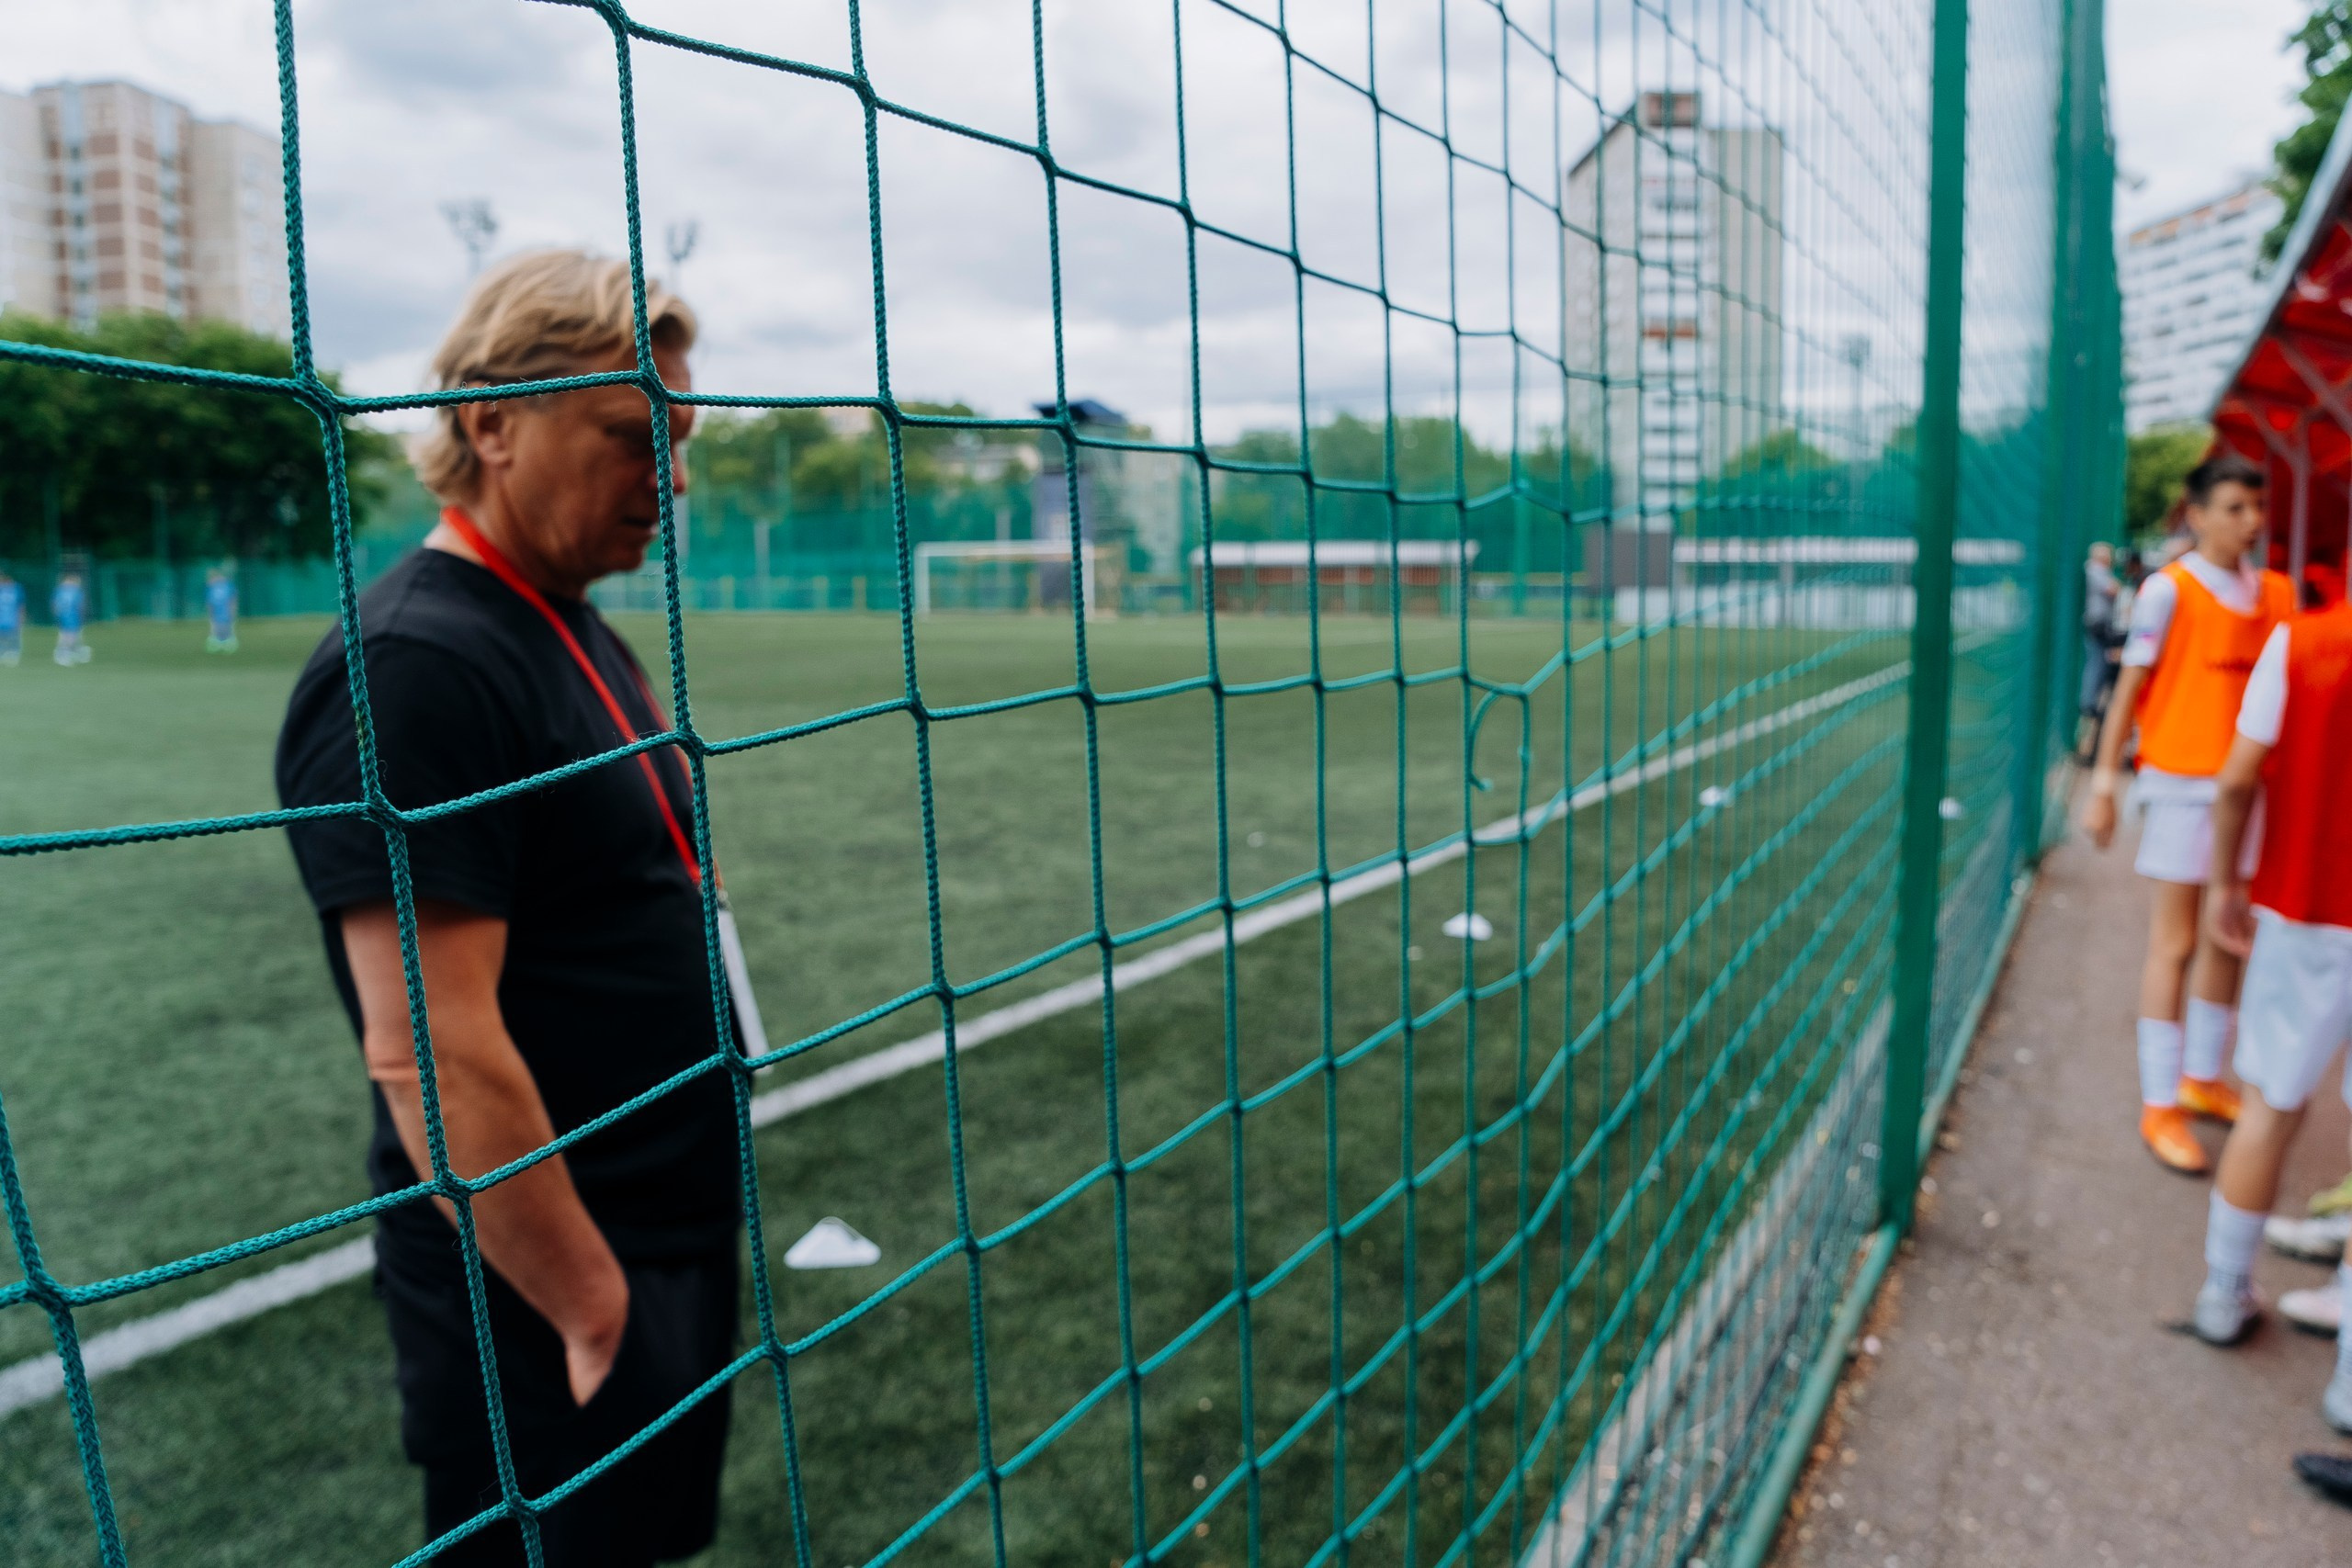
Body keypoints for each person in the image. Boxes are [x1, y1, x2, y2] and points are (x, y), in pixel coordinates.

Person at [275, 251, 736, 1566]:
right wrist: (594, 1307)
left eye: (683, 438)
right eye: (631, 437)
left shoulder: (569, 620)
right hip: (542, 1286)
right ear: (492, 425)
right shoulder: (416, 661)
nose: (675, 478)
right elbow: (427, 1046)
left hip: (660, 1237)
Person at [2082, 454, 2294, 1172]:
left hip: (2249, 790)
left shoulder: (2276, 593)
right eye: (2235, 507)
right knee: (2173, 943)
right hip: (2179, 785)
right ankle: (2158, 1098)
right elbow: (2127, 690)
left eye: (2256, 507)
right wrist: (2105, 782)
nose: (2251, 522)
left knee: (2226, 935)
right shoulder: (2167, 592)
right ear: (2196, 512)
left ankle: (2202, 1077)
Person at [2182, 589, 2352, 1438]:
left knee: (2270, 1106)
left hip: (2308, 904)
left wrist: (2224, 881)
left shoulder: (2304, 642)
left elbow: (2239, 776)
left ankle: (2222, 1290)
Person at [2078, 541, 2123, 759]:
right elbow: (2114, 589)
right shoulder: (2094, 570)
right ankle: (2088, 702)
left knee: (2100, 662)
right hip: (2098, 624)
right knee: (2096, 662)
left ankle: (2091, 701)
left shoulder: (2098, 571)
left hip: (2100, 623)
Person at [51, 571, 91, 665]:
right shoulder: (76, 591)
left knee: (64, 634)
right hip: (72, 615)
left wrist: (57, 615)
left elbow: (54, 604)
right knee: (71, 635)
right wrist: (82, 615)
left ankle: (68, 652)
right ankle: (64, 654)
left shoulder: (59, 590)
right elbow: (80, 605)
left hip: (63, 615)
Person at [202, 567, 238, 653]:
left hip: (225, 608)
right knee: (215, 624)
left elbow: (233, 597)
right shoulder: (210, 587)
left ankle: (229, 641)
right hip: (216, 608)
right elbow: (209, 600)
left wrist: (233, 608)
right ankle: (216, 641)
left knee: (227, 624)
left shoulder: (227, 585)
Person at [0, 569, 22, 666]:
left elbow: (20, 605)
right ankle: (3, 652)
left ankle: (13, 653)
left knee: (13, 636)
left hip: (11, 617)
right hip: (3, 617)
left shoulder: (16, 588)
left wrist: (21, 617)